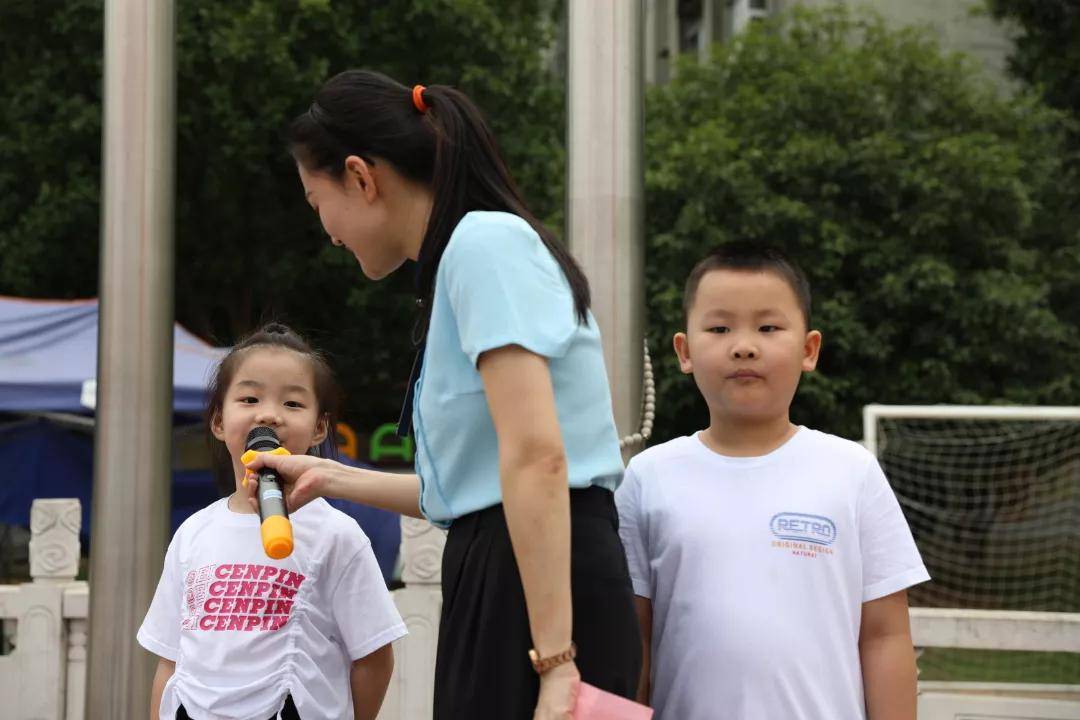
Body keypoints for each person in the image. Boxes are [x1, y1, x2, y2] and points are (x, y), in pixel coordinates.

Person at [244, 70, 641, 719]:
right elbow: (465, 492)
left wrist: (557, 662)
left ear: (361, 177)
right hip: (513, 572)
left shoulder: (483, 244)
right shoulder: (465, 258)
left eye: (317, 203)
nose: (328, 230)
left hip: (540, 589)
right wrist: (329, 476)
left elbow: (537, 458)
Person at [616, 243, 930, 719]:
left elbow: (885, 635)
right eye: (719, 328)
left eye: (768, 327)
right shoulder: (648, 477)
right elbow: (631, 636)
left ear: (809, 349)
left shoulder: (851, 470)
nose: (743, 345)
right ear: (684, 351)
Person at [138, 323, 406, 720]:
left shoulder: (336, 535)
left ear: (319, 428)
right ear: (217, 421)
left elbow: (374, 658)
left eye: (293, 404)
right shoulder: (193, 533)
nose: (268, 415)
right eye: (249, 398)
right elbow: (170, 660)